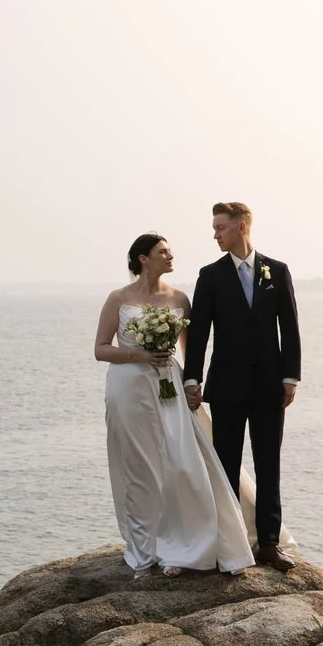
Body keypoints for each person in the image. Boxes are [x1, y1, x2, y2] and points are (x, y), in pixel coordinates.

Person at [93, 232, 253, 576]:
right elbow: (101, 349)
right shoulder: (118, 298)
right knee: (139, 467)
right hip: (128, 387)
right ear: (142, 259)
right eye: (163, 251)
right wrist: (140, 354)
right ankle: (143, 551)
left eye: (170, 251)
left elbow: (188, 349)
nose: (170, 256)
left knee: (181, 462)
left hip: (168, 383)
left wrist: (192, 384)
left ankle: (183, 544)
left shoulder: (179, 298)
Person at [183, 201, 301, 571]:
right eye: (215, 228)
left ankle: (269, 543)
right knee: (226, 466)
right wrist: (192, 378)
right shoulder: (210, 275)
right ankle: (231, 542)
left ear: (242, 226)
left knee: (269, 465)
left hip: (270, 387)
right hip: (226, 387)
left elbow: (290, 328)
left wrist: (290, 377)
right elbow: (199, 333)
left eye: (221, 227)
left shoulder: (276, 271)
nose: (215, 234)